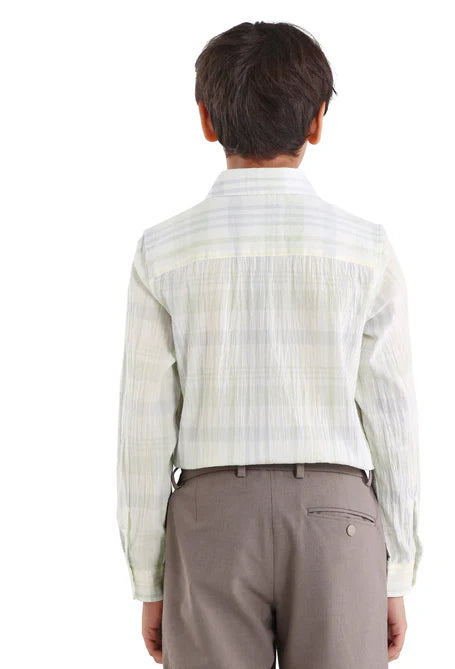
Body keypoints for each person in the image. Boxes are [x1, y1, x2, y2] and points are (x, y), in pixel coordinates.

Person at [116, 20, 422, 669]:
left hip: (212, 521)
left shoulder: (162, 252)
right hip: (339, 518)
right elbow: (394, 421)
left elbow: (143, 428)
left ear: (206, 119)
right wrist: (395, 569)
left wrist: (150, 579)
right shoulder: (365, 249)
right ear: (317, 122)